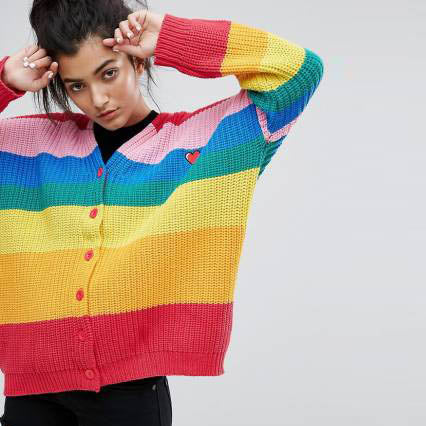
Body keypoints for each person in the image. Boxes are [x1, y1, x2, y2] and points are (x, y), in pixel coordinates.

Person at [0, 0, 324, 424]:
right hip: (32, 393)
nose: (97, 99)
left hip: (131, 395)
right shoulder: (23, 146)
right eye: (77, 85)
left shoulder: (206, 139)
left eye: (108, 73)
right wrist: (4, 81)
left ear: (137, 61)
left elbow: (299, 72)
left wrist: (173, 37)